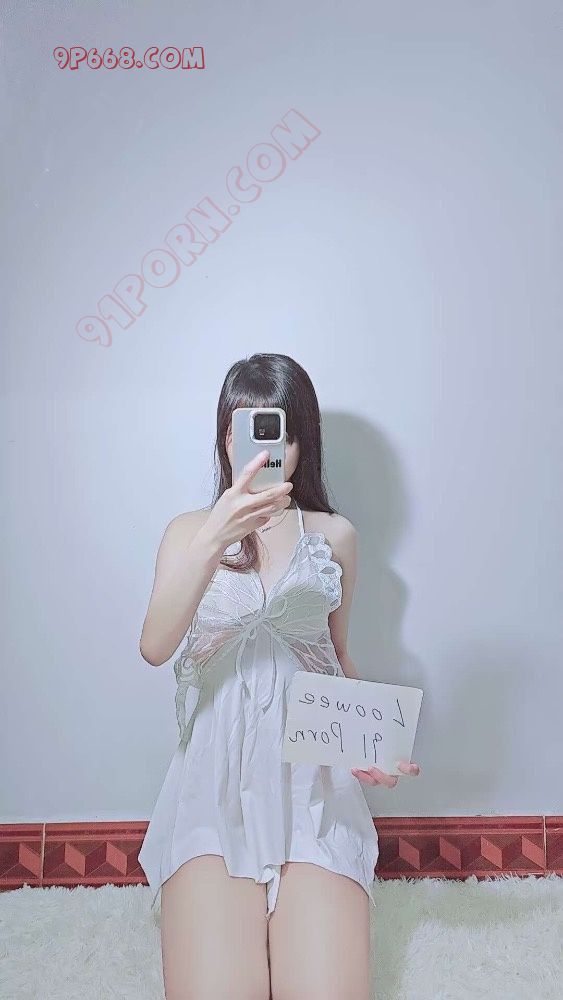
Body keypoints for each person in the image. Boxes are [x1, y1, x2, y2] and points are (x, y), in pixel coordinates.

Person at [138, 353, 421, 1000]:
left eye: (280, 434)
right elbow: (155, 646)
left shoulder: (333, 536)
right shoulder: (189, 534)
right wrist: (218, 534)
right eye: (246, 431)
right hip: (212, 789)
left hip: (311, 786)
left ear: (302, 443)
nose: (264, 451)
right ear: (224, 438)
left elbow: (334, 656)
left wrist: (371, 742)